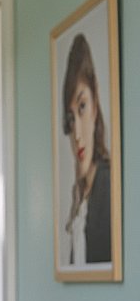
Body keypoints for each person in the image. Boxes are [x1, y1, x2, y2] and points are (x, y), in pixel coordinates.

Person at [62, 32, 111, 264]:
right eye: (71, 119)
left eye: (82, 107)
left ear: (95, 104)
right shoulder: (80, 196)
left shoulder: (108, 184)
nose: (77, 135)